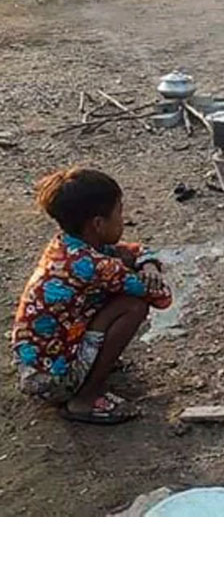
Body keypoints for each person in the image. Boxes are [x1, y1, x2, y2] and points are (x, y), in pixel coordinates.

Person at [11, 168, 173, 424]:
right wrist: (146, 267)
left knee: (116, 291)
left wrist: (147, 261)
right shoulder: (96, 265)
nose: (123, 219)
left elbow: (135, 250)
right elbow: (161, 296)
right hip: (53, 380)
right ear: (98, 224)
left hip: (35, 364)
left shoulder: (66, 246)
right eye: (119, 212)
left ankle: (90, 369)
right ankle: (84, 399)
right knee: (133, 306)